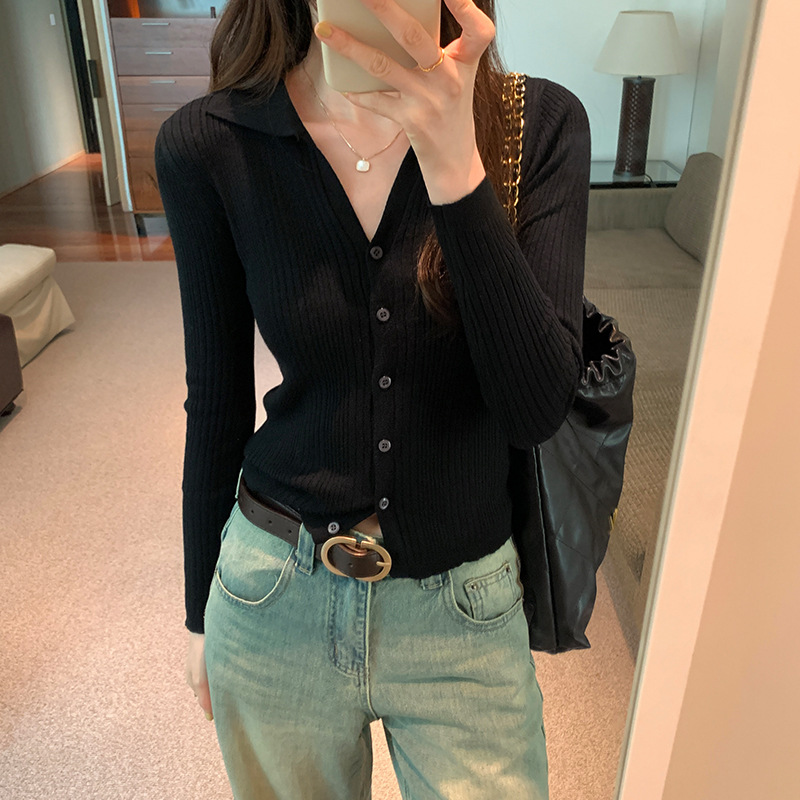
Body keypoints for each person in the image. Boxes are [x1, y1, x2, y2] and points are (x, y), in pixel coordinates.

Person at [155, 0, 590, 796]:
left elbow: (534, 410)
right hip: (272, 591)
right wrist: (198, 614)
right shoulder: (210, 143)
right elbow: (214, 399)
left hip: (463, 608)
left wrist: (454, 166)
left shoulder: (538, 126)